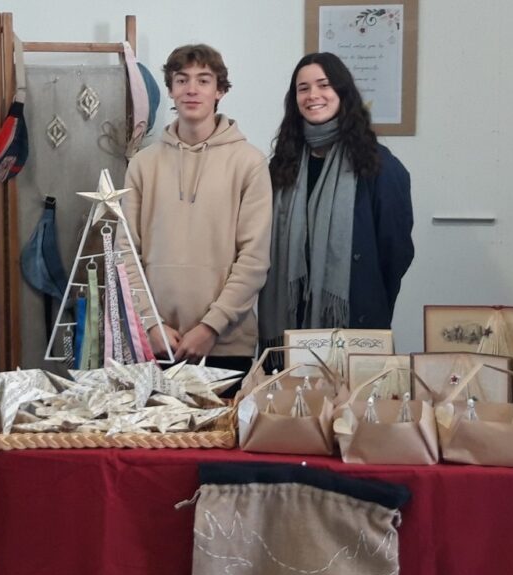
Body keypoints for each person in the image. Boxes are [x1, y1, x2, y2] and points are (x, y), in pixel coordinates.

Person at [119, 44, 272, 376]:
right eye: (181, 79)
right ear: (171, 90)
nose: (191, 89)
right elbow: (125, 253)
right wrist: (149, 324)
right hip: (156, 343)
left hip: (226, 345)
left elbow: (254, 258)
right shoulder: (143, 164)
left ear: (220, 90)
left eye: (203, 80)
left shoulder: (250, 162)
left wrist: (211, 327)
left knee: (222, 431)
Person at [258, 52, 414, 351]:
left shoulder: (378, 165)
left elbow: (396, 251)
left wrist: (367, 294)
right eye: (303, 88)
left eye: (324, 85)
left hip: (353, 320)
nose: (313, 95)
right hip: (290, 322)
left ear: (342, 92)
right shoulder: (281, 165)